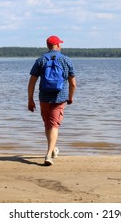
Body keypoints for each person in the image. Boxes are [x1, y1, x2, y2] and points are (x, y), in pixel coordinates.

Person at [28, 35, 76, 166]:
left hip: (44, 97)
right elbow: (73, 84)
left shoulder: (40, 60)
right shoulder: (66, 60)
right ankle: (49, 154)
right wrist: (70, 97)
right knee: (54, 125)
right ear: (58, 45)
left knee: (48, 125)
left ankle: (52, 149)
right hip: (59, 97)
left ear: (48, 46)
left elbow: (32, 82)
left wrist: (30, 100)